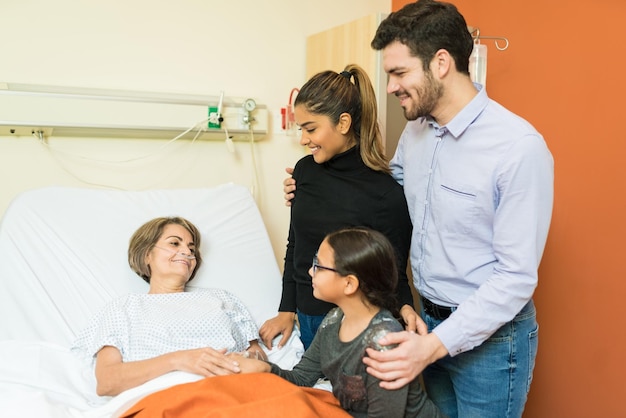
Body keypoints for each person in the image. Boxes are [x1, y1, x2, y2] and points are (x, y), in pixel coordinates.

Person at [283, 1, 554, 417]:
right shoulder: (417, 132)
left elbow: (516, 277)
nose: (389, 87)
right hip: (424, 320)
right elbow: (385, 199)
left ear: (441, 63)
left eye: (399, 72)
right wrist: (312, 192)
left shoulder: (517, 148)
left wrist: (434, 346)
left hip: (490, 339)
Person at [260, 64, 419, 351]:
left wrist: (405, 307)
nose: (303, 139)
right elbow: (296, 245)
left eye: (311, 128)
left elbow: (392, 274)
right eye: (301, 129)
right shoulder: (304, 172)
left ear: (343, 123)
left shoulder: (385, 194)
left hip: (357, 328)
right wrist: (288, 309)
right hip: (308, 317)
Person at [235, 227, 444, 418]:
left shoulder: (384, 342)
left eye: (319, 266)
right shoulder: (333, 321)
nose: (310, 271)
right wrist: (264, 368)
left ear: (349, 283)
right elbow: (300, 378)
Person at [71, 216, 264, 396]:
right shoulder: (124, 308)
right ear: (147, 255)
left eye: (192, 248)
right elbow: (107, 382)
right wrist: (179, 360)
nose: (187, 252)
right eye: (174, 243)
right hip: (167, 399)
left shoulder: (221, 298)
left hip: (236, 391)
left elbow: (259, 358)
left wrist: (247, 360)